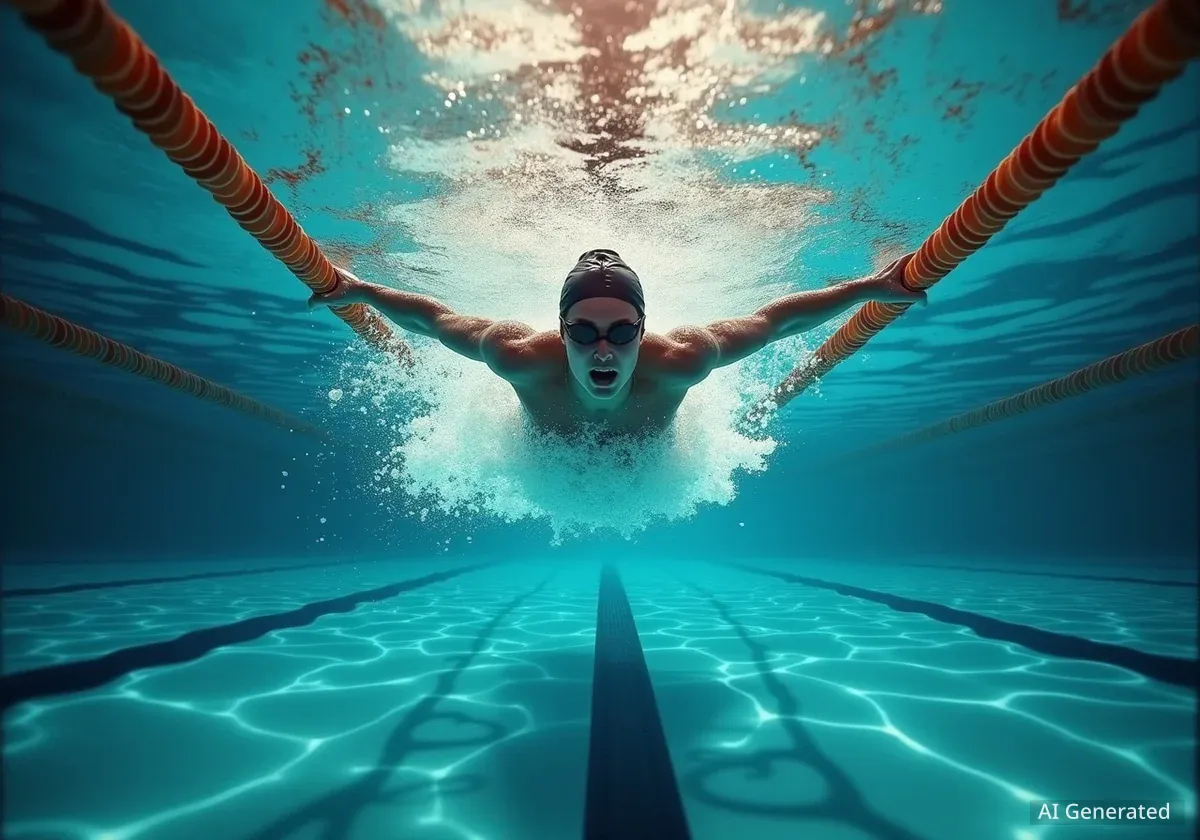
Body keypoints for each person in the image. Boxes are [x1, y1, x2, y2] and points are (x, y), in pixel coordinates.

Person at [308, 249, 925, 436]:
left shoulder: (683, 359)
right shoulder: (517, 356)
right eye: (583, 332)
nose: (603, 350)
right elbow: (432, 318)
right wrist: (360, 291)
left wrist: (867, 288)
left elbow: (774, 322)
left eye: (622, 331)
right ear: (560, 331)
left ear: (642, 330)